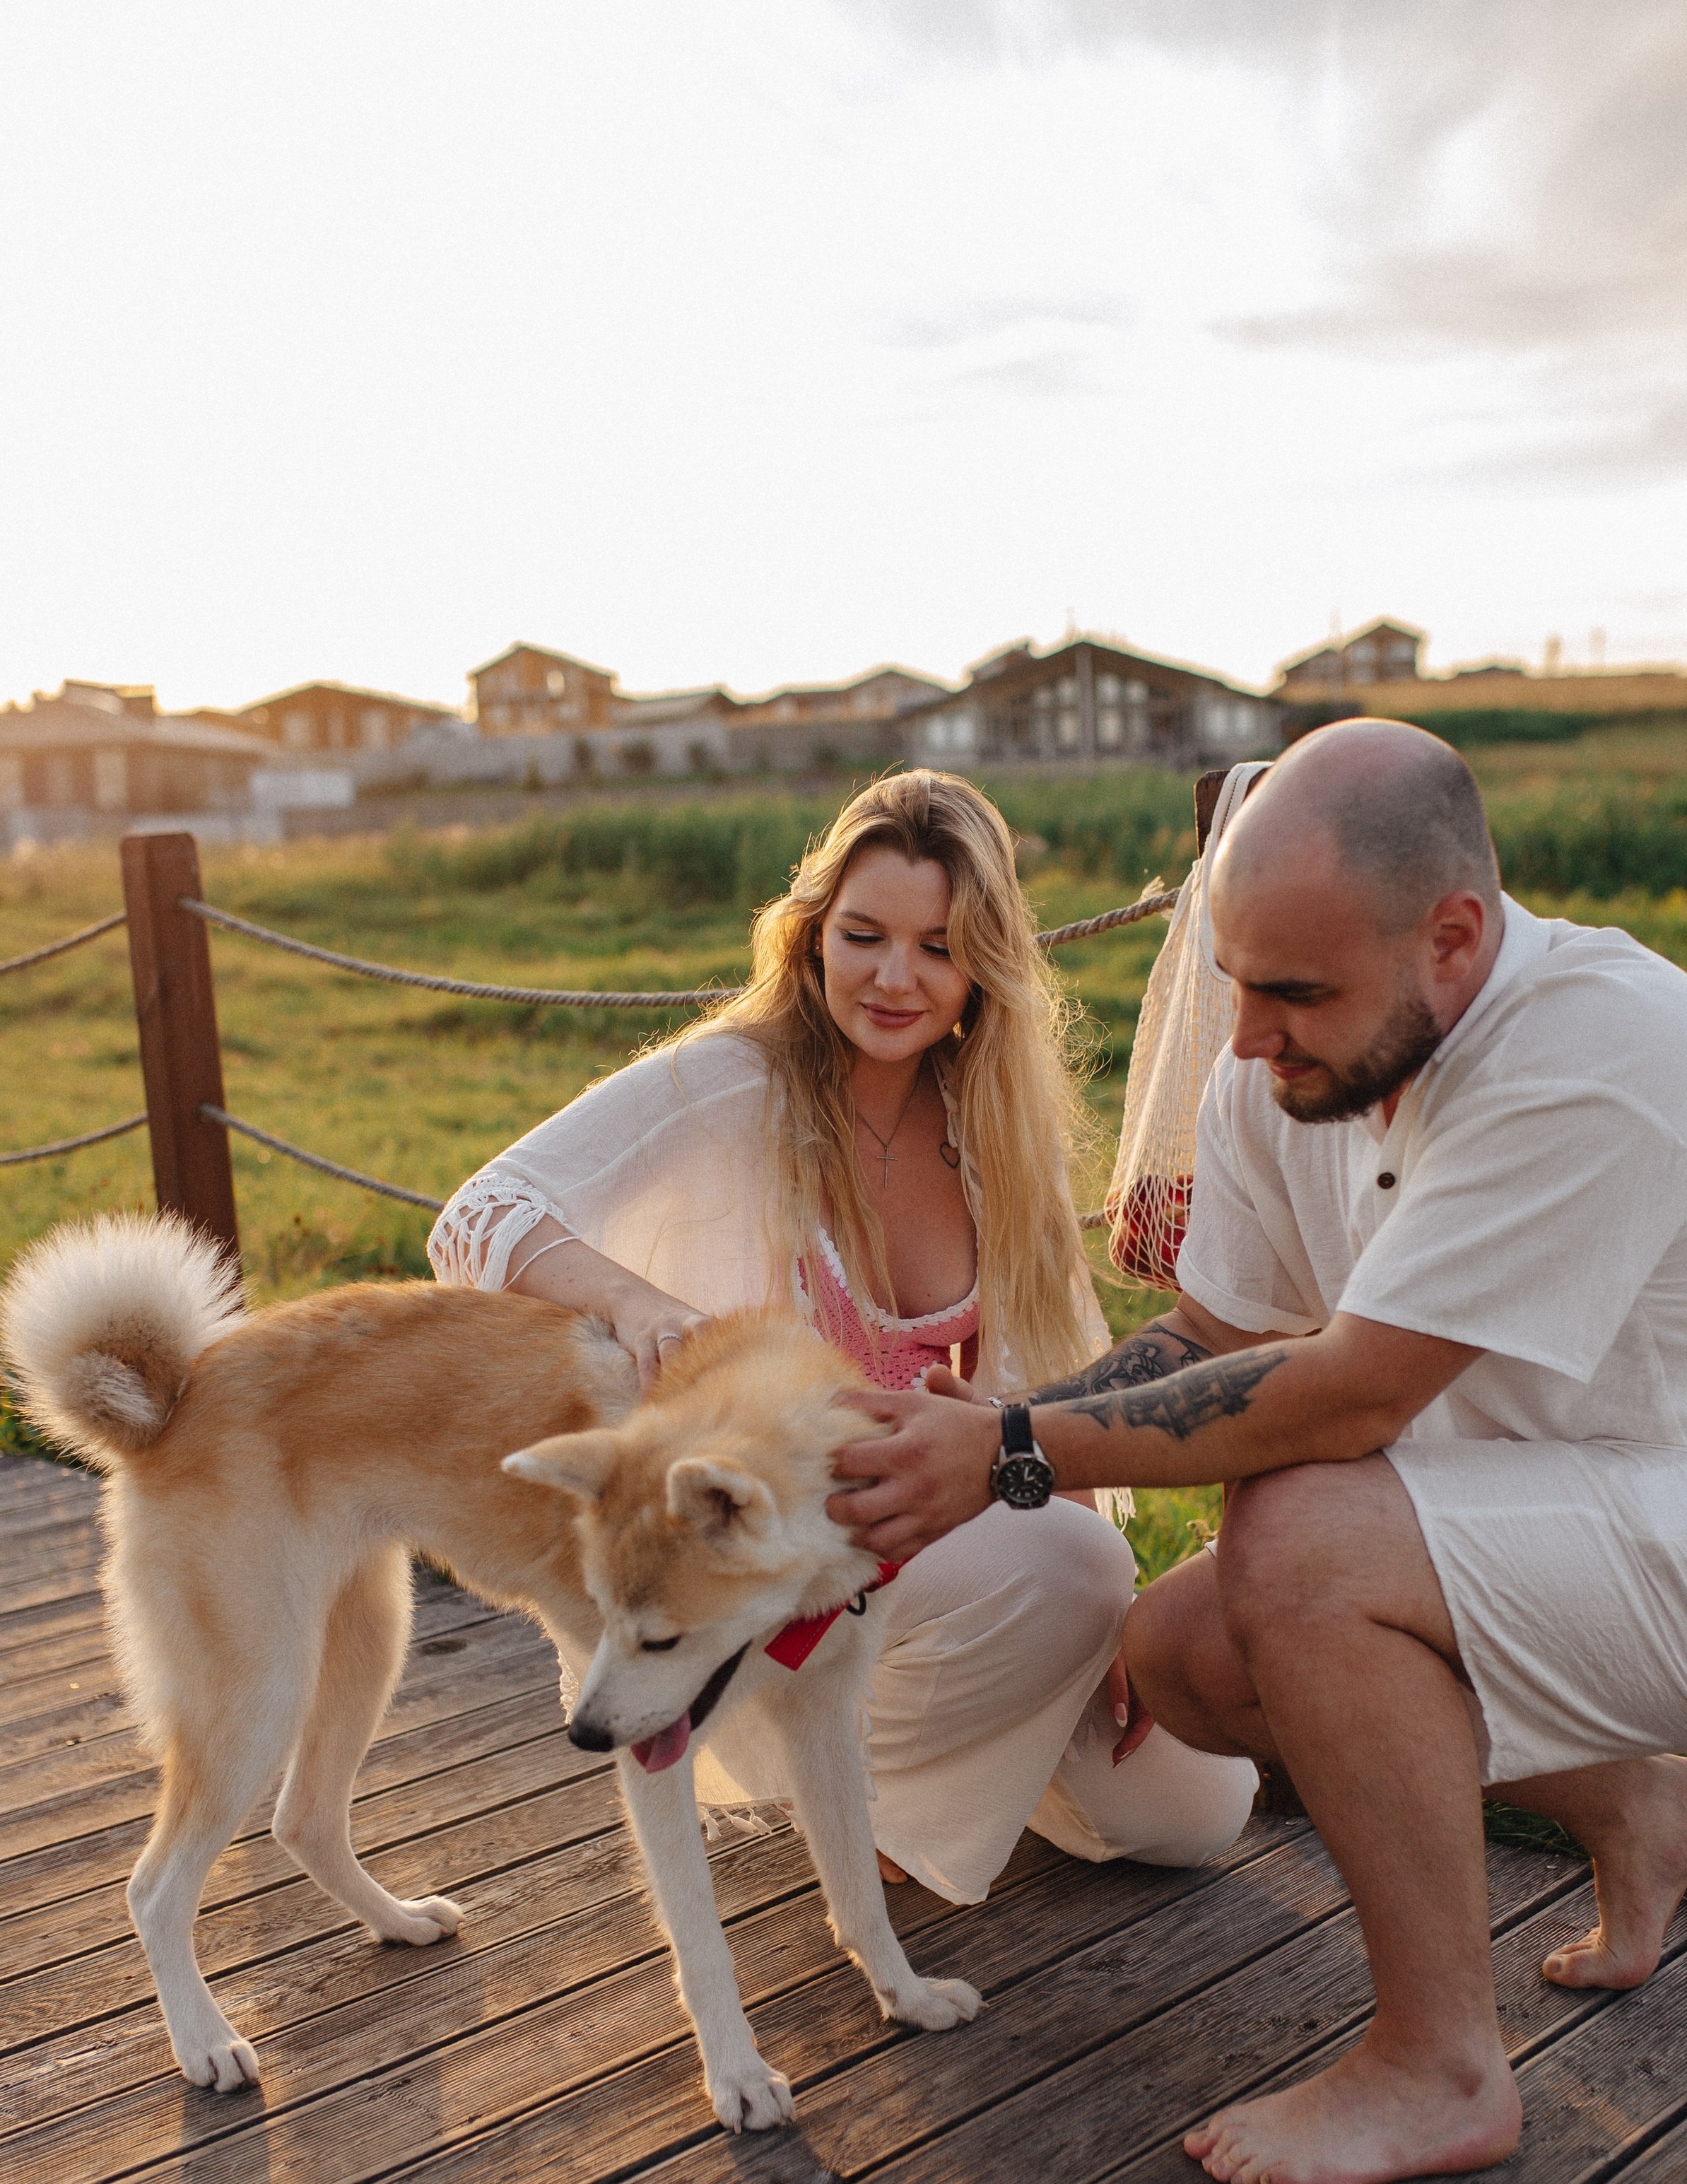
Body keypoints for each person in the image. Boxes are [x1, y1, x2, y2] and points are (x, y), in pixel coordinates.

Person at [825, 717, 1687, 2184]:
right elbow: (1218, 1328)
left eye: (1292, 991)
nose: (1241, 1038)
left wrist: (1007, 1448)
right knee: (1189, 1651)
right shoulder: (1280, 1065)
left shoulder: (1598, 1045)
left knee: (1304, 1540)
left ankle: (1438, 2066)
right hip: (1535, 1525)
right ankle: (1637, 1805)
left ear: (1454, 939)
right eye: (1231, 980)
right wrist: (996, 1460)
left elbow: (1343, 1401)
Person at [428, 769, 1256, 1901]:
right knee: (1073, 1562)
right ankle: (865, 1845)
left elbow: (1031, 1402)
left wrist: (1099, 1630)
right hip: (781, 1574)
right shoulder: (737, 1076)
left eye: (936, 945)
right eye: (863, 936)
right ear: (814, 937)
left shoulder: (992, 1125)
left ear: (981, 967)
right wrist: (638, 1304)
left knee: (1199, 1812)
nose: (894, 976)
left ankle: (943, 1764)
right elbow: (479, 1217)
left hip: (944, 1573)